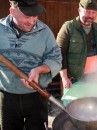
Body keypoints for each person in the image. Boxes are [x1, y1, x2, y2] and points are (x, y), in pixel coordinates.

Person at [0, 0, 62, 130]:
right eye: (27, 16)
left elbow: (56, 58)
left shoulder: (45, 31)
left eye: (35, 16)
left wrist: (40, 69)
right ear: (12, 11)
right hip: (6, 97)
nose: (32, 21)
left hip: (37, 95)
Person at [56, 0, 97, 89]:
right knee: (75, 102)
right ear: (79, 10)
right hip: (74, 78)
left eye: (93, 12)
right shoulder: (68, 27)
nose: (90, 16)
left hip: (95, 77)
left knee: (94, 101)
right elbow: (59, 52)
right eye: (87, 12)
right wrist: (64, 77)